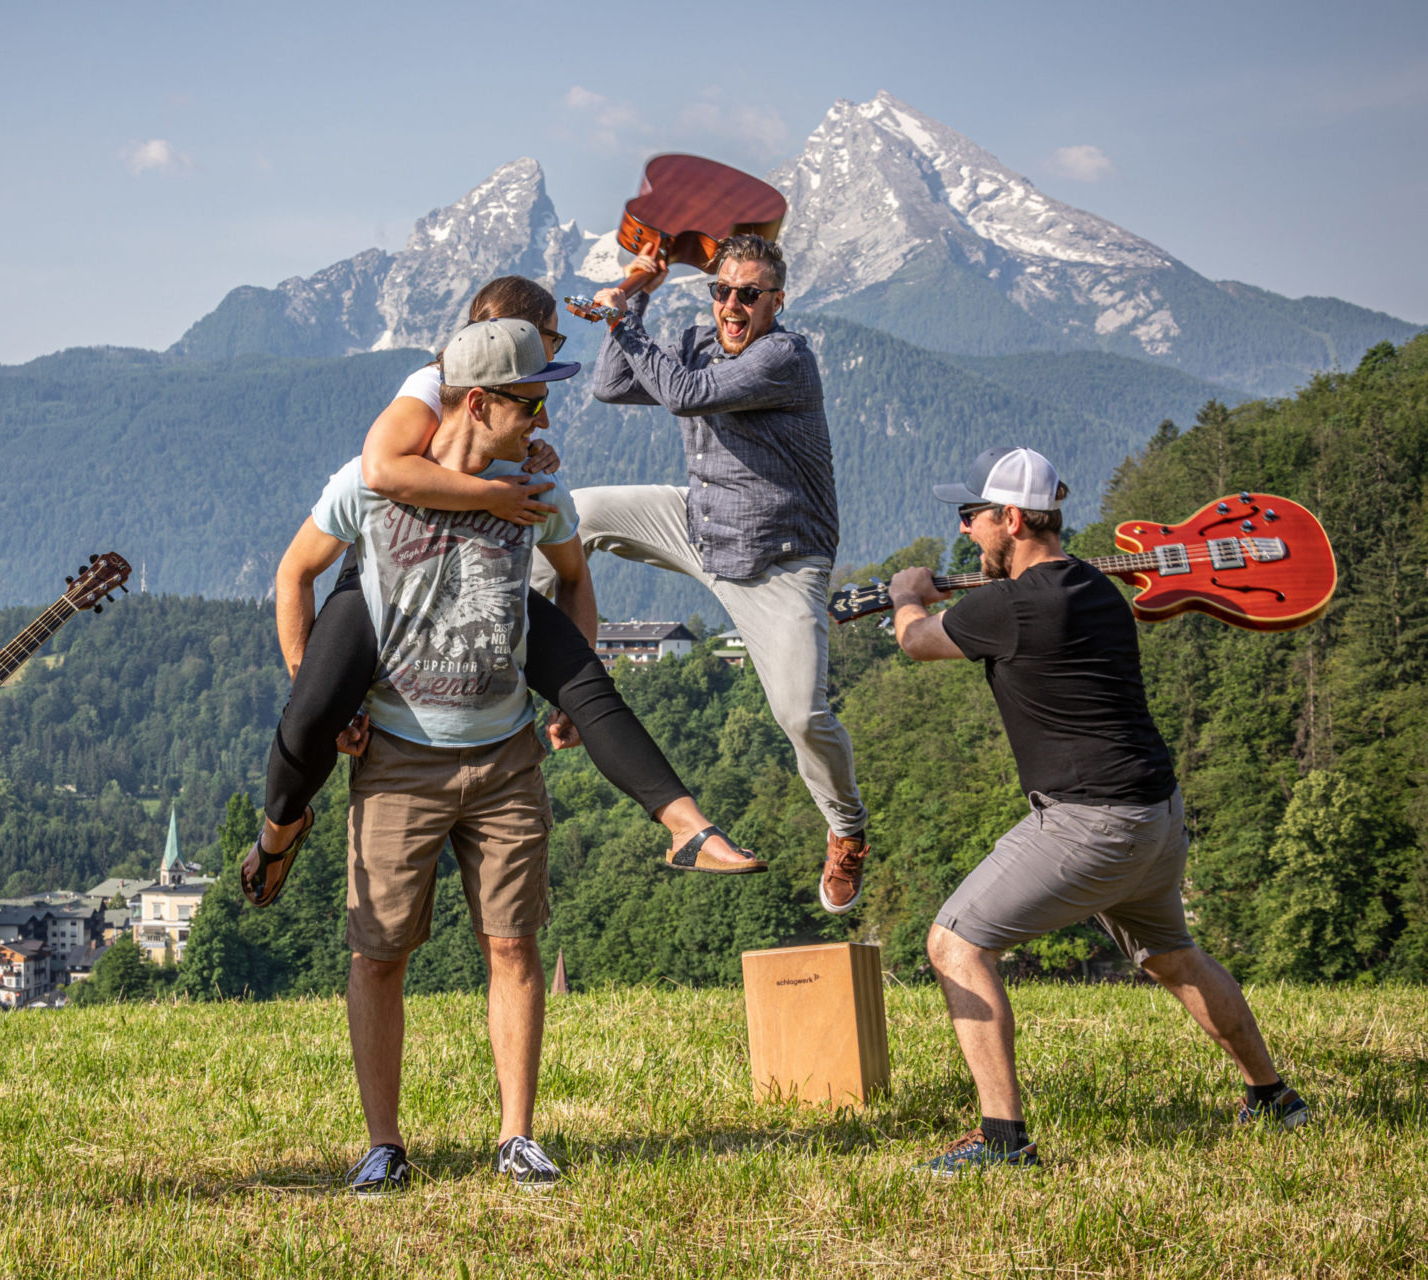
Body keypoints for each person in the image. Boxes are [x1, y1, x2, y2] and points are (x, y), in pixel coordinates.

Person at [245, 277, 763, 909]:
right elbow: (380, 473)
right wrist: (499, 494)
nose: (548, 383)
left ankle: (687, 826)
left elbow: (572, 571)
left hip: (485, 581)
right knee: (310, 713)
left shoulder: (524, 451)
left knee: (588, 683)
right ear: (486, 395)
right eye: (550, 341)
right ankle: (280, 832)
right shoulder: (427, 393)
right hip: (386, 582)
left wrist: (520, 467)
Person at [887, 445, 1310, 1176]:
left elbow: (917, 641)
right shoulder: (1093, 588)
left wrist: (906, 590)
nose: (965, 532)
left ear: (1012, 518)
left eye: (972, 516)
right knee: (1174, 956)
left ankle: (1002, 1139)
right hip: (1156, 815)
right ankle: (1271, 1097)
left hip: (1089, 823)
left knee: (955, 945)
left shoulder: (1012, 605)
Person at [275, 318, 592, 1194]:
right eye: (528, 404)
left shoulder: (536, 489)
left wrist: (572, 691)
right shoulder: (369, 485)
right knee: (378, 954)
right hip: (400, 758)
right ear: (478, 401)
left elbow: (574, 574)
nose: (540, 422)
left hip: (506, 757)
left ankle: (517, 1137)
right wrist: (321, 694)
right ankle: (385, 1145)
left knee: (513, 946)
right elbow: (294, 573)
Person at [545, 234, 870, 913]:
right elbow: (608, 386)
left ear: (775, 302)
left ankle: (846, 830)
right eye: (721, 290)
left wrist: (623, 314)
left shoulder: (784, 358)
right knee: (570, 516)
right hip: (702, 524)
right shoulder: (695, 340)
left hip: (778, 563)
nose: (731, 304)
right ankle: (546, 670)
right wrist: (633, 308)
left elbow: (689, 396)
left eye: (748, 294)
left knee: (801, 714)